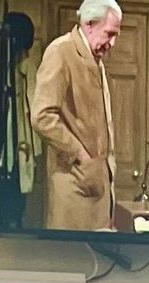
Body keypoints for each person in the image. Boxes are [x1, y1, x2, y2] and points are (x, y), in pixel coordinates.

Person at [31, 0, 119, 234]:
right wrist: (79, 155)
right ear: (89, 24)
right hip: (73, 185)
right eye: (109, 34)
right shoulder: (61, 51)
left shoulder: (96, 58)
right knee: (71, 261)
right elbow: (42, 116)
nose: (113, 43)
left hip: (97, 187)